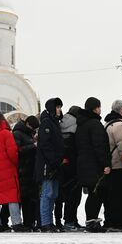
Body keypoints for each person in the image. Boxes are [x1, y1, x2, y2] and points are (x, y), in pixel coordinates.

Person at [0, 110, 29, 232]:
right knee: (12, 195)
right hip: (7, 168)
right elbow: (12, 152)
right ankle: (16, 223)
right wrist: (16, 164)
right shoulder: (5, 133)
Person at [76, 97, 111, 232]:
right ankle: (92, 222)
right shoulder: (95, 124)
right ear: (95, 108)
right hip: (94, 165)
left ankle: (91, 220)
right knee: (96, 193)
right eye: (99, 107)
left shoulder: (81, 124)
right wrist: (105, 164)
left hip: (84, 164)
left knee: (93, 192)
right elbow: (99, 146)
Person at [35, 98, 65, 232]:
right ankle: (45, 222)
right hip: (48, 164)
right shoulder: (47, 123)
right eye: (58, 107)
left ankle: (49, 221)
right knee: (47, 193)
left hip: (55, 164)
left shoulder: (54, 122)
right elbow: (45, 144)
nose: (60, 110)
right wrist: (54, 160)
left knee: (53, 194)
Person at [103, 100, 122, 230]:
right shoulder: (120, 125)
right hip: (119, 166)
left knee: (111, 196)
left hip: (110, 165)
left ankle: (110, 221)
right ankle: (118, 223)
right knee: (120, 196)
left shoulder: (107, 124)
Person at [13, 115, 40, 230]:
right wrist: (33, 145)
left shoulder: (28, 133)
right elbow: (17, 150)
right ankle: (27, 222)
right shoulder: (18, 134)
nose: (33, 130)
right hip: (23, 170)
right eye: (32, 127)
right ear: (27, 124)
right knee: (25, 198)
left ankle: (30, 222)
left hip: (30, 169)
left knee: (31, 197)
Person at [58, 106, 83, 231]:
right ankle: (70, 220)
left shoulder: (61, 123)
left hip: (63, 164)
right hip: (73, 164)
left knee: (66, 194)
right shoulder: (77, 125)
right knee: (74, 195)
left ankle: (69, 220)